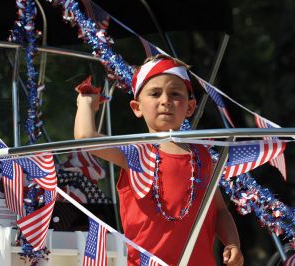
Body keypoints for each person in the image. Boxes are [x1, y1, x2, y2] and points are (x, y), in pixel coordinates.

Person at [74, 54, 244, 266]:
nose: (165, 101)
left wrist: (233, 243)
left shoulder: (202, 156)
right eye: (155, 94)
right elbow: (85, 137)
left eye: (175, 94)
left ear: (190, 108)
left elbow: (220, 211)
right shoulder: (136, 153)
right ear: (137, 107)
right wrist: (86, 104)